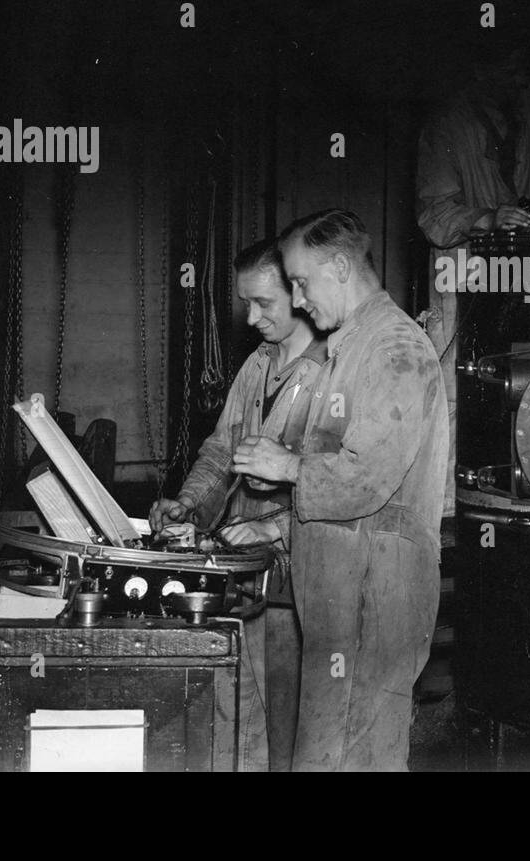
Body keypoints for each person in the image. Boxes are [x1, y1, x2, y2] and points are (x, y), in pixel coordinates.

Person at [228, 209, 448, 771]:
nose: (298, 300)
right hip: (340, 595)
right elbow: (338, 473)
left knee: (357, 758)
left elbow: (367, 479)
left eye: (301, 282)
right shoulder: (347, 349)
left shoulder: (394, 349)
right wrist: (278, 508)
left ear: (342, 266)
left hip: (377, 597)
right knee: (327, 755)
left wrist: (289, 468)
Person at [148, 238, 326, 772]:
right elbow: (221, 450)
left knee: (290, 723)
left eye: (262, 303)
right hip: (241, 574)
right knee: (238, 710)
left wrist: (274, 528)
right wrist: (187, 502)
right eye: (245, 302)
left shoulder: (335, 374)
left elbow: (352, 485)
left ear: (299, 292)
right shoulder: (258, 364)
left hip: (299, 581)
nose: (250, 317)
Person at [415, 52, 530, 512]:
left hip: (524, 265)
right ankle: (437, 509)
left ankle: (514, 498)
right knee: (453, 381)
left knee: (524, 375)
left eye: (523, 73)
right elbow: (433, 216)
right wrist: (488, 217)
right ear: (480, 70)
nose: (520, 83)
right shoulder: (447, 124)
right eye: (509, 73)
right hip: (463, 269)